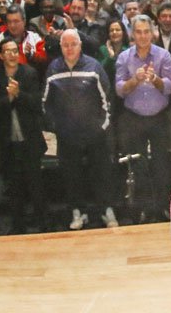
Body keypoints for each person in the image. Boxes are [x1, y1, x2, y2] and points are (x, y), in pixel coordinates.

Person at [44, 29, 117, 230]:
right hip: (67, 134)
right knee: (71, 175)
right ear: (61, 47)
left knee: (101, 173)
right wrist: (56, 126)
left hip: (95, 133)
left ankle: (106, 210)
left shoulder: (94, 67)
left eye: (73, 44)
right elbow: (46, 102)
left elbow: (107, 98)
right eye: (65, 45)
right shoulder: (53, 69)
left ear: (80, 45)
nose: (69, 48)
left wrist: (102, 126)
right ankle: (78, 211)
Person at [115, 14, 171, 222]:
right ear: (132, 34)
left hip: (159, 118)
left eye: (146, 32)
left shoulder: (163, 55)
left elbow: (168, 87)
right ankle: (142, 209)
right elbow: (120, 90)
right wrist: (135, 80)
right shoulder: (124, 57)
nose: (142, 36)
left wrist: (154, 79)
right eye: (138, 32)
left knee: (161, 165)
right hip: (134, 118)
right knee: (138, 165)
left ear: (153, 33)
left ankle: (161, 208)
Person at [0, 38, 47, 233]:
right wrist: (9, 98)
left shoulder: (29, 73)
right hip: (8, 140)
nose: (12, 55)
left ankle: (43, 223)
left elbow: (37, 105)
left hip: (29, 138)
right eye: (8, 51)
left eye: (15, 51)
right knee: (14, 186)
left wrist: (19, 95)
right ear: (1, 55)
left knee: (36, 184)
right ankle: (18, 225)